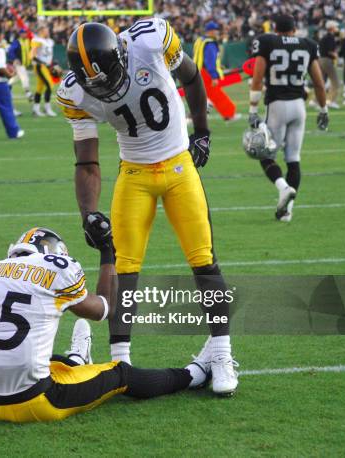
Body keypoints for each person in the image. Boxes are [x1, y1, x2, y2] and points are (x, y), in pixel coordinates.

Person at [57, 20, 238, 395]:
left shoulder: (151, 40)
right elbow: (86, 160)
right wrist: (87, 212)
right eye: (96, 83)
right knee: (124, 268)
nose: (104, 87)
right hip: (134, 174)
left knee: (203, 258)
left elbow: (191, 77)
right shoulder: (75, 92)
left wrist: (201, 130)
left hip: (178, 165)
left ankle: (221, 352)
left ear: (122, 53)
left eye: (108, 75)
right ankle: (120, 360)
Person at [0, 227, 193, 423]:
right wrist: (107, 251)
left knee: (48, 361)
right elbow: (106, 307)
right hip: (40, 402)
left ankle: (78, 360)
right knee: (121, 373)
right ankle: (194, 374)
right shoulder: (54, 269)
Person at [249, 14, 328, 222]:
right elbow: (319, 83)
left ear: (275, 29)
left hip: (276, 105)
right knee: (293, 158)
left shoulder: (267, 41)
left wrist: (252, 109)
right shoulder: (308, 44)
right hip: (299, 107)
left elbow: (257, 78)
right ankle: (287, 211)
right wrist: (324, 110)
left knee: (265, 155)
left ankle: (283, 188)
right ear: (294, 29)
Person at [193, 21, 239, 121]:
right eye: (215, 30)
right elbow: (210, 60)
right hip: (206, 73)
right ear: (211, 31)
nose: (217, 32)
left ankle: (199, 114)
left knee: (206, 95)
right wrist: (214, 76)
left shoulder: (200, 40)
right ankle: (229, 114)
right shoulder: (210, 43)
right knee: (217, 95)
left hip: (198, 71)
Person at [31, 25, 57, 117]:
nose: (48, 32)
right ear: (41, 31)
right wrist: (43, 63)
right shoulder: (37, 40)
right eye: (46, 30)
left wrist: (53, 64)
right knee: (49, 85)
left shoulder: (50, 41)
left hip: (46, 66)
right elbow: (33, 56)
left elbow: (50, 55)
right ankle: (47, 108)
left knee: (40, 87)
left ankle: (36, 108)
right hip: (39, 66)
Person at [7, 28, 33, 102]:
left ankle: (6, 85)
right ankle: (28, 93)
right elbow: (11, 51)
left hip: (25, 64)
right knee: (24, 77)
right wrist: (14, 59)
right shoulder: (17, 41)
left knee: (16, 78)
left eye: (25, 33)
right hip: (19, 63)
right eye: (23, 33)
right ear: (20, 34)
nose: (24, 34)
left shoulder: (28, 41)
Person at [319, 21, 340, 108]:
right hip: (327, 60)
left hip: (321, 60)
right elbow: (330, 51)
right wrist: (336, 55)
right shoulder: (330, 37)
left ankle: (316, 100)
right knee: (335, 82)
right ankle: (331, 101)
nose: (336, 28)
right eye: (335, 27)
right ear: (331, 28)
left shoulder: (324, 37)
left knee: (321, 81)